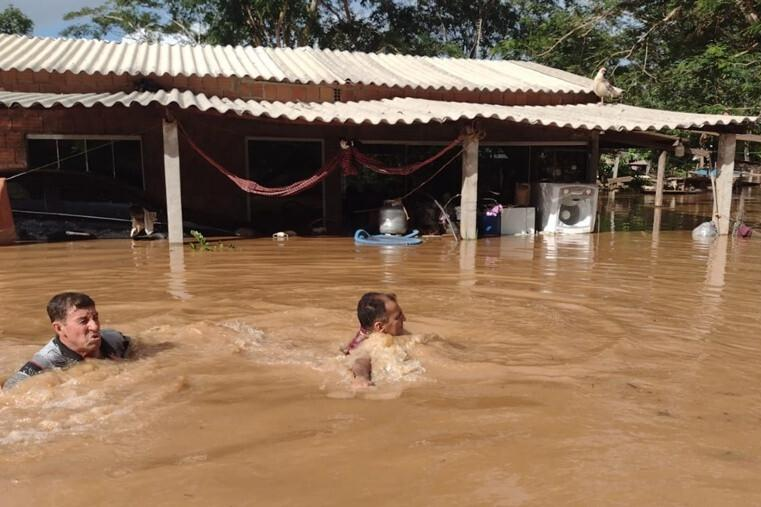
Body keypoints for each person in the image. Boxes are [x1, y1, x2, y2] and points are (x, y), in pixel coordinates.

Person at [2, 292, 131, 390]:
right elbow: (11, 388)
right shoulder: (46, 360)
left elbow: (139, 352)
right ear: (59, 328)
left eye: (95, 318)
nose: (95, 326)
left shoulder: (115, 340)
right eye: (83, 321)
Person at [343, 292, 406, 386]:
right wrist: (361, 378)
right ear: (380, 327)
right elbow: (361, 361)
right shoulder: (372, 341)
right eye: (398, 317)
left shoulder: (375, 331)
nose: (404, 319)